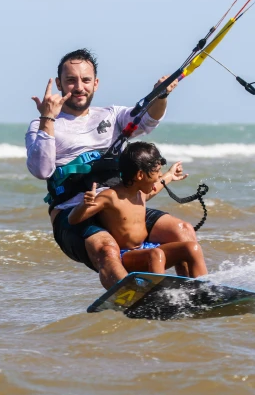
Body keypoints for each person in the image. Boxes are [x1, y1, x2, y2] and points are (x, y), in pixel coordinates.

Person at [25, 48, 198, 289]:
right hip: (74, 215)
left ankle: (192, 294)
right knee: (107, 250)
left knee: (182, 230)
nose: (79, 87)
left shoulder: (112, 115)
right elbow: (41, 170)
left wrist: (161, 96)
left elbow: (148, 120)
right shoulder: (43, 125)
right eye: (71, 80)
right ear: (59, 84)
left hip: (119, 206)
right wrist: (48, 118)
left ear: (95, 83)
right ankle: (134, 297)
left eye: (85, 80)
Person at [68, 142, 208, 277]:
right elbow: (73, 220)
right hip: (126, 256)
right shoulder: (110, 196)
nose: (159, 176)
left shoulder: (140, 191)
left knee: (192, 248)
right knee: (156, 254)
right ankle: (158, 294)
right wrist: (84, 205)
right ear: (140, 175)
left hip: (146, 248)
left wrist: (170, 175)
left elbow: (158, 185)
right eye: (157, 172)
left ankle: (202, 289)